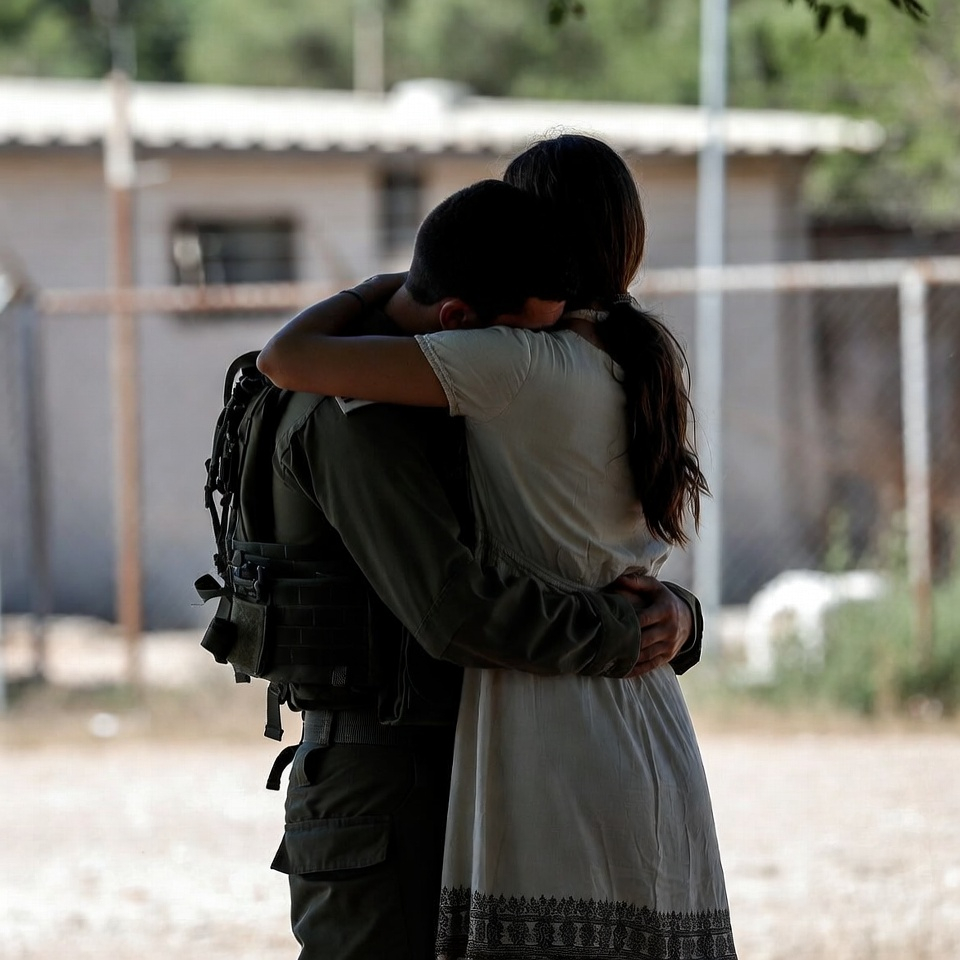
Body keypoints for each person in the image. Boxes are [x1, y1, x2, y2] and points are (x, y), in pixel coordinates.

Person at [259, 139, 737, 958]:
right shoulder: (641, 359)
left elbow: (286, 360)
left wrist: (377, 286)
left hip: (547, 724)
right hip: (650, 726)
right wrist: (676, 619)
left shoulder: (512, 359)